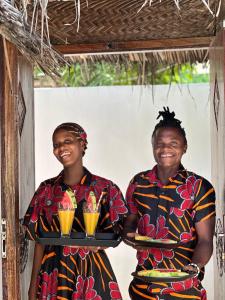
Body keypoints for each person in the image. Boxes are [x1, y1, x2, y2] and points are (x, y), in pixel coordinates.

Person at [24, 122, 127, 300]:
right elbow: (38, 241)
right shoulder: (46, 190)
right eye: (56, 145)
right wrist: (32, 288)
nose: (61, 148)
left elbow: (121, 231)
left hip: (92, 272)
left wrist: (99, 244)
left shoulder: (105, 188)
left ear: (82, 144)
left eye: (67, 141)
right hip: (54, 272)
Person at [123, 107, 216, 300]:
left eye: (173, 143)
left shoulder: (198, 187)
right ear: (152, 145)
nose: (165, 149)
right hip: (143, 287)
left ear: (185, 146)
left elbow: (206, 241)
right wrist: (130, 237)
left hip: (183, 289)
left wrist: (194, 267)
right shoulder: (138, 183)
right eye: (160, 143)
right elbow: (129, 223)